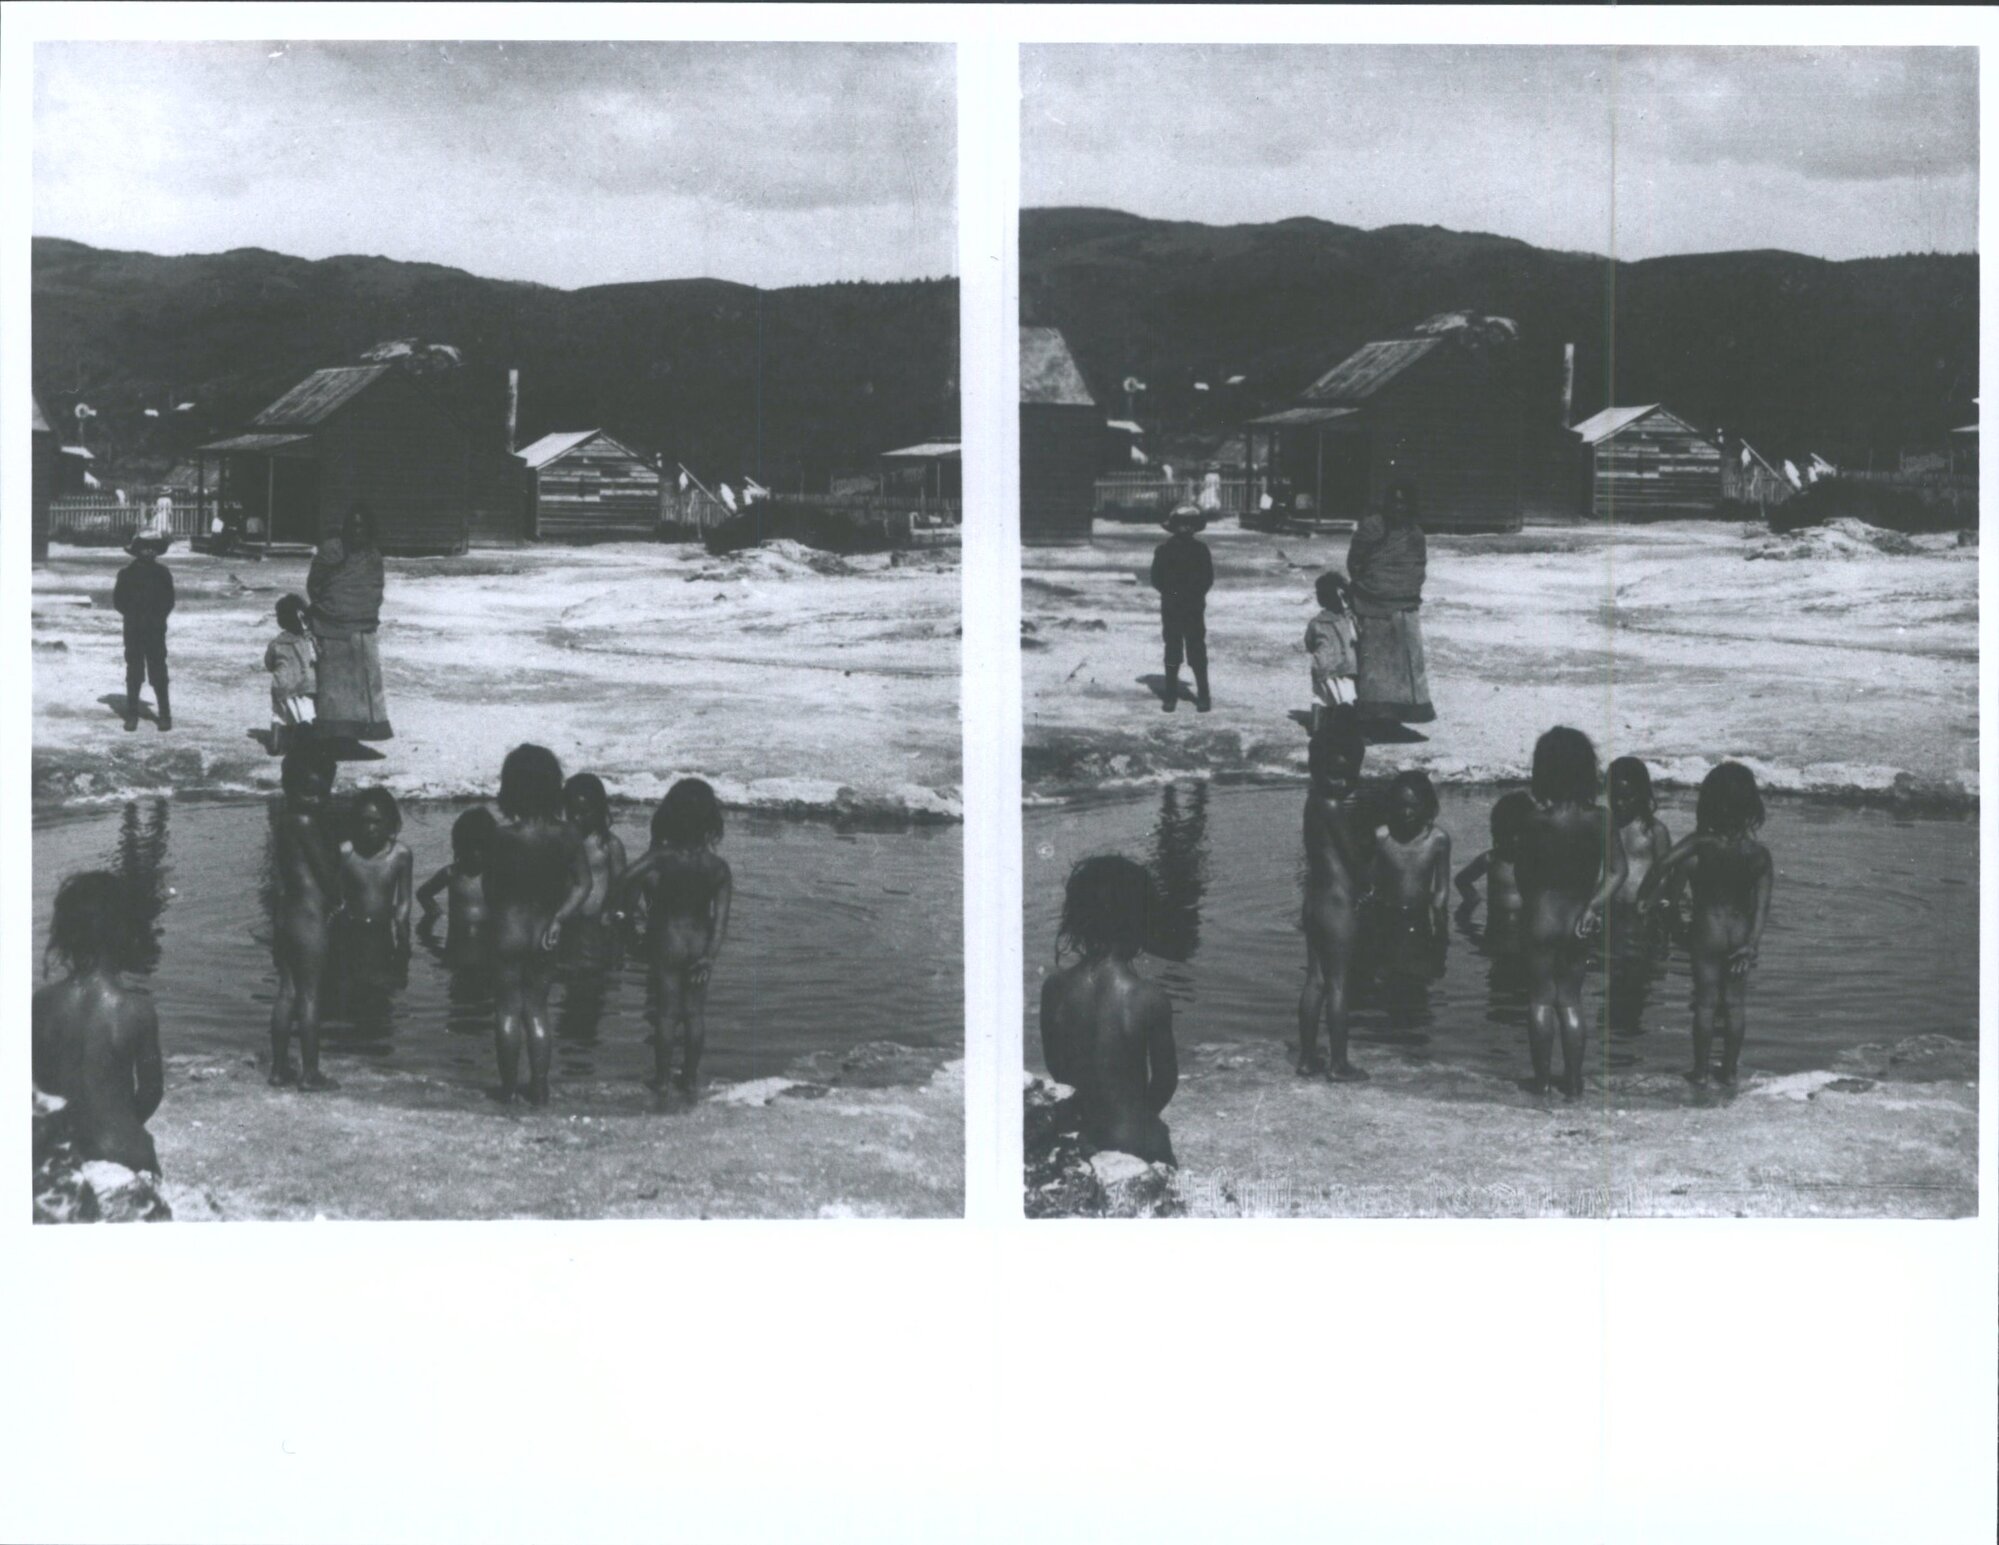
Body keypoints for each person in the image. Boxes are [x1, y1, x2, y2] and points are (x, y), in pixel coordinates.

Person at [1636, 762, 1774, 1087]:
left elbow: (1661, 864)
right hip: (1740, 933)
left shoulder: (1700, 843)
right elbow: (1762, 908)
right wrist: (1751, 943)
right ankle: (1729, 1071)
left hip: (1706, 933)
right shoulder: (1759, 854)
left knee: (1706, 1003)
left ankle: (1699, 1071)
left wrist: (1645, 899)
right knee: (1736, 1005)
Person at [1039, 855, 1178, 1164]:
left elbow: (1056, 1065)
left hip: (1082, 1135)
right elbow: (1166, 1081)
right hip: (1134, 1139)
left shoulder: (1054, 989)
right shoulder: (1148, 997)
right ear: (1140, 922)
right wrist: (1139, 1116)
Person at [1514, 727, 1626, 1098]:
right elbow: (1617, 871)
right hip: (1579, 917)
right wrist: (1593, 907)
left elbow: (1523, 873)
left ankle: (1543, 1081)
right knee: (1571, 1000)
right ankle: (1575, 1082)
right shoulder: (1600, 818)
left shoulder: (1533, 820)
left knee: (1540, 1000)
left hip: (1541, 916)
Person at [32, 872, 165, 1175]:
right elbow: (151, 1091)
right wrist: (121, 1123)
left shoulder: (41, 1003)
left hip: (68, 1160)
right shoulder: (136, 1009)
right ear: (125, 935)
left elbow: (38, 1087)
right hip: (127, 1157)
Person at [486, 745, 593, 1105]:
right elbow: (584, 885)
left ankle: (507, 1089)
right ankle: (541, 1087)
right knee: (537, 1009)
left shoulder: (501, 837)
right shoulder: (567, 835)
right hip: (545, 930)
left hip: (508, 930)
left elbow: (491, 888)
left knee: (506, 1010)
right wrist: (560, 918)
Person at [616, 779, 733, 1095]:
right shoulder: (719, 867)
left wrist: (620, 915)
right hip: (699, 943)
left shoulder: (663, 857)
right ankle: (690, 1078)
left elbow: (625, 879)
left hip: (667, 940)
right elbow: (721, 921)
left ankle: (663, 1079)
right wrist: (709, 956)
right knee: (695, 1014)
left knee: (666, 1014)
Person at [1297, 713, 1373, 1081]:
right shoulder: (1334, 808)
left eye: (1349, 776)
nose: (1343, 783)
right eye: (1336, 775)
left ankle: (1307, 1058)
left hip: (1313, 900)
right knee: (1340, 983)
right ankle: (1339, 1064)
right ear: (1317, 768)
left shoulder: (1312, 802)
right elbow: (1353, 859)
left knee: (1315, 980)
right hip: (1338, 903)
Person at [269, 744, 341, 1090]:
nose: (315, 800)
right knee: (311, 994)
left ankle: (278, 1068)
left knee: (287, 992)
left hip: (285, 916)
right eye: (309, 793)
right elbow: (325, 873)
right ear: (292, 789)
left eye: (321, 793)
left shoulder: (283, 821)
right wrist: (340, 897)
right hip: (310, 918)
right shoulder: (308, 823)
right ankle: (310, 1073)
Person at [1344, 479, 1435, 725]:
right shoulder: (1372, 527)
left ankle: (1396, 716)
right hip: (1372, 603)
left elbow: (1418, 567)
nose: (1399, 507)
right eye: (1394, 502)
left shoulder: (1415, 534)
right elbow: (1355, 561)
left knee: (1402, 665)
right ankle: (1372, 717)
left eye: (1404, 502)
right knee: (1374, 665)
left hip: (1404, 605)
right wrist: (1371, 587)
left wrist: (1402, 589)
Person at [305, 503, 392, 744]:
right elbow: (315, 584)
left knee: (360, 686)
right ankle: (332, 733)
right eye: (353, 527)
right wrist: (329, 610)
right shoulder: (331, 551)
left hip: (362, 627)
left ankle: (359, 731)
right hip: (330, 625)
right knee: (334, 687)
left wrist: (359, 612)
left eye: (362, 527)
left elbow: (375, 590)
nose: (357, 532)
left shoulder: (373, 557)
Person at [333, 787, 414, 1026]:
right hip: (352, 929)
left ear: (389, 823)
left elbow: (404, 899)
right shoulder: (346, 852)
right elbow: (335, 895)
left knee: (384, 983)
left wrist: (403, 935)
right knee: (354, 982)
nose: (370, 829)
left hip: (383, 931)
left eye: (377, 822)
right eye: (364, 822)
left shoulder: (401, 855)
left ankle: (378, 1016)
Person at [1150, 504, 1214, 713]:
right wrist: (1173, 595)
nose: (1185, 528)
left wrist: (1194, 595)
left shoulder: (1201, 550)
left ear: (1195, 527)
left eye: (1190, 524)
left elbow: (1207, 578)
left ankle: (1203, 694)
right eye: (1181, 524)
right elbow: (1156, 579)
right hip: (1172, 606)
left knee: (1196, 647)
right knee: (1172, 648)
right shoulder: (1164, 550)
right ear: (1173, 526)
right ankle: (1170, 695)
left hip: (1194, 606)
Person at [113, 533, 174, 732]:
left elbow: (169, 601)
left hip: (155, 630)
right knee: (134, 671)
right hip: (134, 630)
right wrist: (134, 616)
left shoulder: (163, 573)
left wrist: (157, 617)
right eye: (144, 547)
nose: (149, 551)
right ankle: (132, 715)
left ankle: (164, 715)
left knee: (158, 671)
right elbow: (118, 601)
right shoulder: (126, 574)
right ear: (136, 551)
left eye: (153, 547)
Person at [417, 806, 498, 956]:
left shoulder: (494, 875)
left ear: (491, 846)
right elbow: (423, 893)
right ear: (459, 846)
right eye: (469, 847)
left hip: (487, 948)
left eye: (481, 847)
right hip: (457, 949)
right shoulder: (452, 873)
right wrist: (435, 913)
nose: (475, 853)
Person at [1454, 789, 1537, 925]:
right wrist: (1473, 900)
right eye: (1508, 833)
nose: (1515, 840)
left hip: (1526, 935)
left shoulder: (1537, 861)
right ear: (1499, 832)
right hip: (1495, 935)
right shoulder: (1491, 859)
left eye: (1521, 833)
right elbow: (1461, 881)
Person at [264, 594, 317, 754]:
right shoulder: (308, 640)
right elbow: (317, 658)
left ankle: (275, 745)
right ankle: (305, 748)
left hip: (281, 685)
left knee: (279, 715)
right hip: (303, 685)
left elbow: (269, 664)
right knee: (306, 717)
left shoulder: (275, 643)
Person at [1304, 570, 1358, 731]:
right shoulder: (1349, 619)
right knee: (1346, 700)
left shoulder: (1315, 622)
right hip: (1344, 667)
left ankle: (1317, 728)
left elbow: (1310, 644)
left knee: (1321, 697)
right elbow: (1356, 637)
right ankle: (1348, 732)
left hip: (1321, 666)